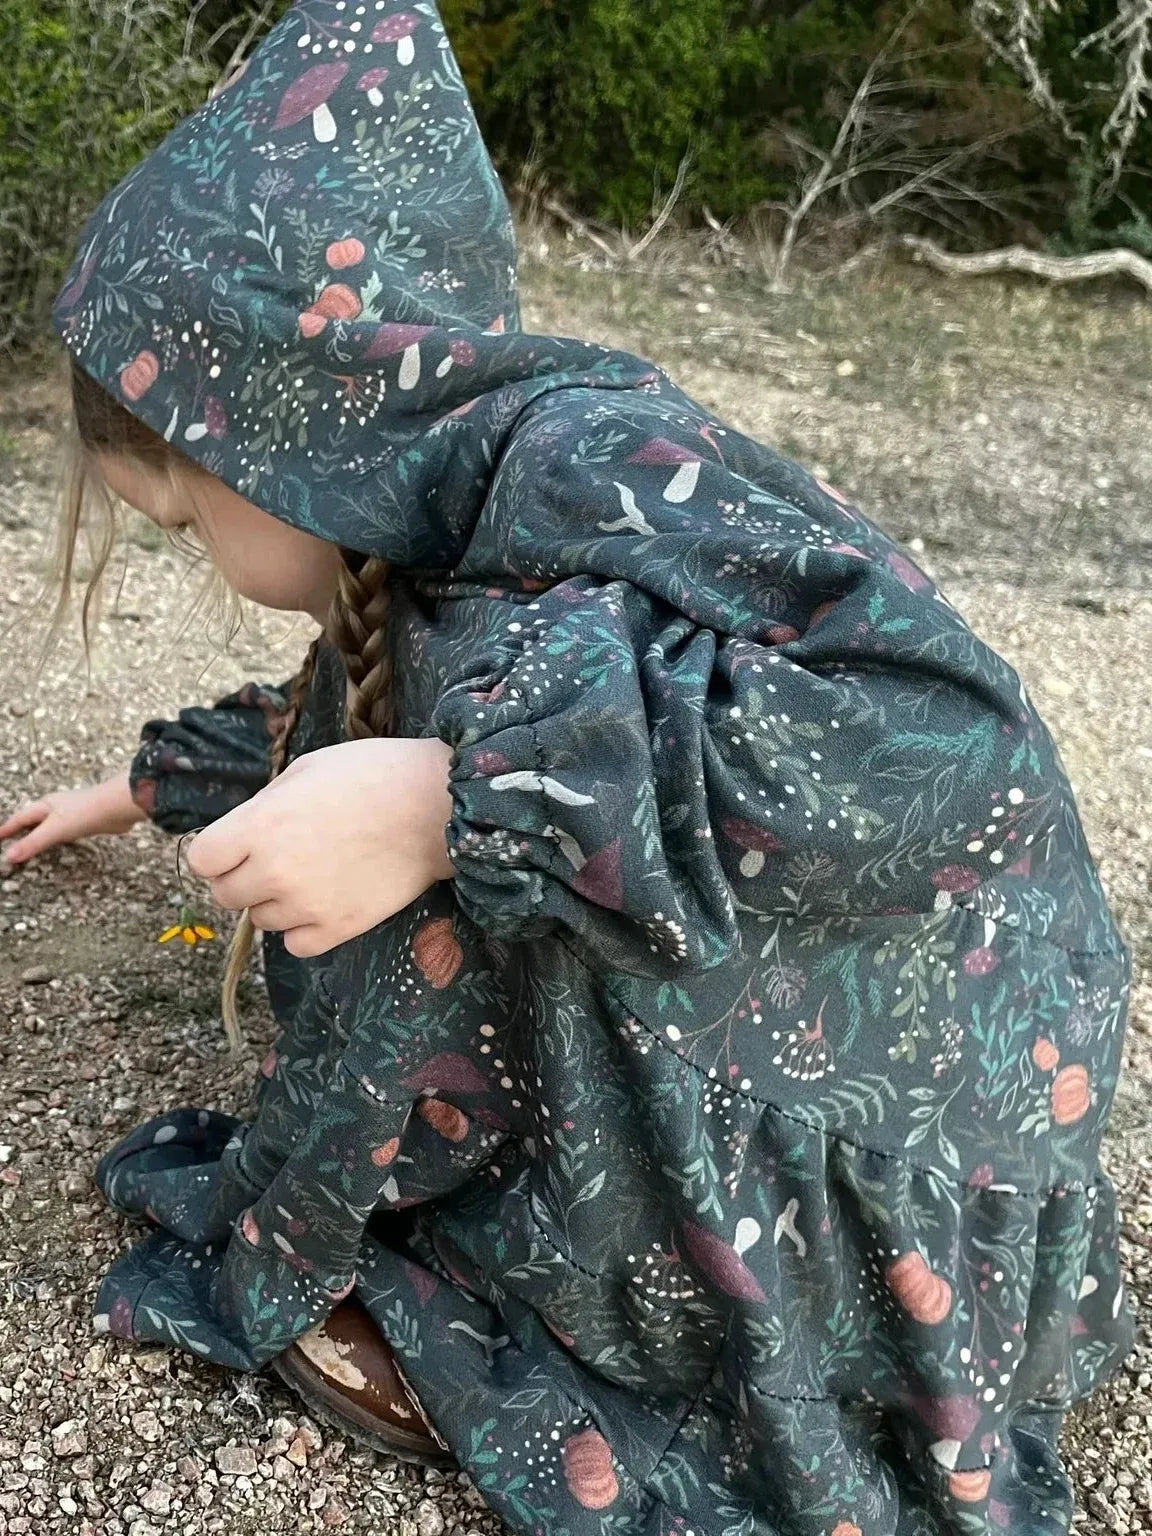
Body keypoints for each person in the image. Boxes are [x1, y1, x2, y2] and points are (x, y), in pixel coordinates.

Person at [1, 1, 1135, 1529]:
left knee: (465, 814)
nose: (202, 551)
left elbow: (949, 744)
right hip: (845, 1062)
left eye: (189, 516)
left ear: (280, 430)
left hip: (906, 1130)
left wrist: (451, 806)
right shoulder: (436, 484)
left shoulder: (578, 472)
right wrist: (142, 787)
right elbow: (345, 688)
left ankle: (629, 1300)